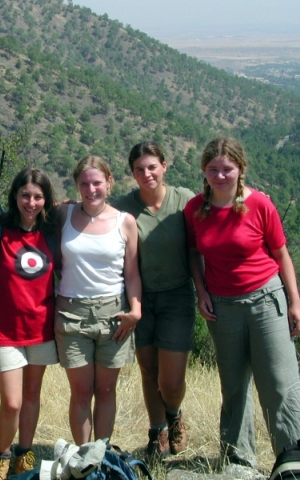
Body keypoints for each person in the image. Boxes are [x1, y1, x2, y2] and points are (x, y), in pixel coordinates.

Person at [184, 137, 300, 468]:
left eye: (227, 169)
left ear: (240, 169)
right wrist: (201, 292)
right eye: (213, 169)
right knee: (234, 386)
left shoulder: (259, 205)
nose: (220, 176)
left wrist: (294, 303)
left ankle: (297, 455)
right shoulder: (195, 209)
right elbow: (193, 252)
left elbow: (281, 254)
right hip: (222, 306)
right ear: (204, 170)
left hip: (265, 299)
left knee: (278, 382)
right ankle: (238, 461)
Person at [110, 142, 195, 461]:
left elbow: (218, 207)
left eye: (152, 167)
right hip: (138, 298)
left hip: (177, 295)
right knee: (148, 370)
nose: (146, 174)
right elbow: (91, 211)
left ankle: (174, 414)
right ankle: (157, 430)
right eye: (139, 169)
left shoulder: (183, 199)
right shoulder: (123, 207)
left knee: (171, 380)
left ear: (164, 165)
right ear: (132, 173)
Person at [55, 155, 142, 445]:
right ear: (77, 185)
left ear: (109, 182)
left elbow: (132, 273)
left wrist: (136, 310)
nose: (91, 190)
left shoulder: (125, 222)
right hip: (71, 314)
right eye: (84, 184)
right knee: (80, 392)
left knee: (106, 391)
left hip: (114, 315)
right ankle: (83, 460)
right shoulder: (63, 215)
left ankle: (101, 455)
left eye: (97, 183)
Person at [0, 168, 60, 480]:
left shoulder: (52, 231)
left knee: (31, 396)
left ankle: (23, 455)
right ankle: (1, 457)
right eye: (25, 195)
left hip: (41, 327)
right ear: (15, 196)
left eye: (38, 196)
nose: (31, 202)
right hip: (3, 328)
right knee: (12, 402)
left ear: (46, 199)